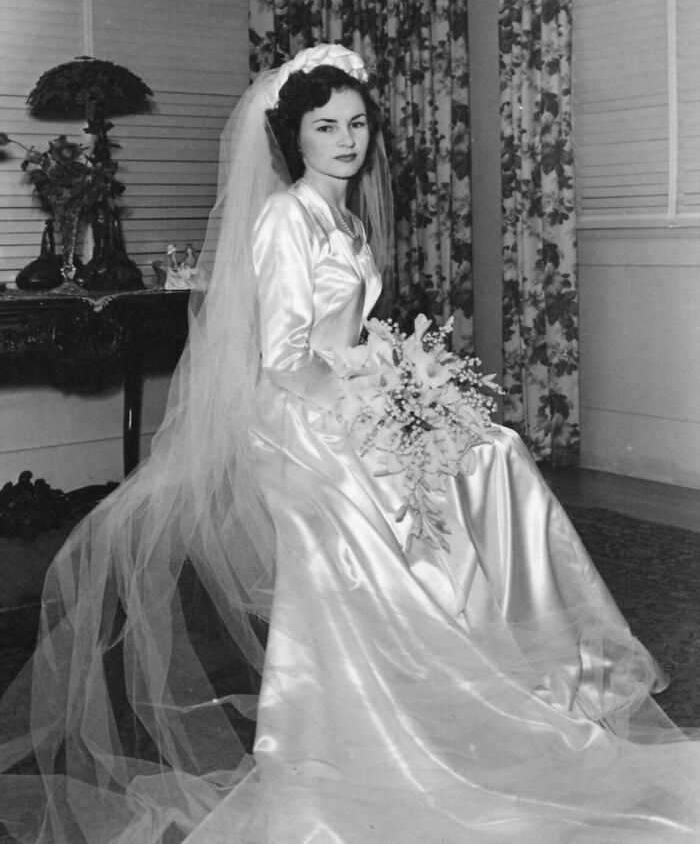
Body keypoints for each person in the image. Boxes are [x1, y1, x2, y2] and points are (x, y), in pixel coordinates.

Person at [0, 44, 699, 844]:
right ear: (292, 137)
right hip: (302, 417)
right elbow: (287, 358)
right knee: (431, 490)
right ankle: (397, 713)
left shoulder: (343, 215)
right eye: (325, 125)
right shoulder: (283, 217)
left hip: (353, 392)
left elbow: (352, 332)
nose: (345, 139)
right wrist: (386, 403)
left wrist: (405, 387)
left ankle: (522, 671)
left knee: (494, 452)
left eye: (357, 123)